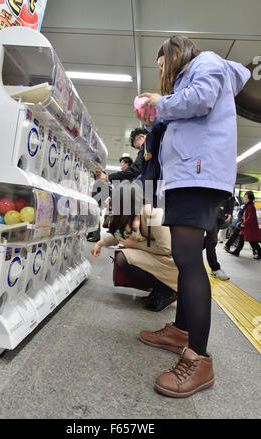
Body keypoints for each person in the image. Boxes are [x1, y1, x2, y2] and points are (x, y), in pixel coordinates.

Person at [135, 35, 250, 398]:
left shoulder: (208, 62)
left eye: (161, 65)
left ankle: (198, 358)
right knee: (186, 259)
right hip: (188, 174)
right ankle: (182, 331)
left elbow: (200, 100)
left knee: (187, 259)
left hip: (198, 173)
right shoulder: (191, 74)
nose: (162, 72)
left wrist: (159, 103)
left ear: (174, 53)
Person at [91, 182, 178, 312]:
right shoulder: (134, 216)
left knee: (123, 258)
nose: (112, 204)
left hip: (172, 263)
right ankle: (159, 290)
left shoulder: (152, 213)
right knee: (123, 255)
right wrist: (101, 243)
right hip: (160, 258)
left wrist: (135, 245)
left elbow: (167, 248)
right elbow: (122, 236)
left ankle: (168, 290)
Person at [203, 196, 234, 281]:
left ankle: (189, 254)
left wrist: (229, 211)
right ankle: (215, 268)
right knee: (211, 239)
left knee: (210, 239)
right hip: (204, 209)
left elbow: (231, 194)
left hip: (219, 213)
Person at [229, 191, 261, 259]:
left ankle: (260, 253)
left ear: (248, 199)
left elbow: (250, 217)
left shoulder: (250, 206)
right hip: (247, 227)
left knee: (253, 242)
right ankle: (237, 251)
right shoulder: (248, 205)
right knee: (242, 238)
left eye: (245, 197)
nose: (243, 198)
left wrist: (243, 224)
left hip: (249, 227)